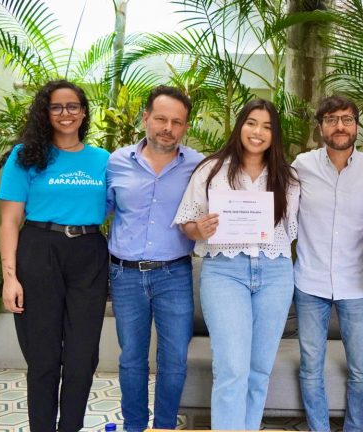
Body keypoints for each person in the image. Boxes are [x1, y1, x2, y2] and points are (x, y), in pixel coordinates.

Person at [173, 99, 299, 429]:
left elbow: (290, 233)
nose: (258, 132)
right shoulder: (211, 170)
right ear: (240, 125)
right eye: (251, 123)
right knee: (231, 369)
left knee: (259, 370)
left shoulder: (288, 177)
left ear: (275, 135)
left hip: (275, 273)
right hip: (225, 271)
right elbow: (187, 221)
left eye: (267, 126)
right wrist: (198, 228)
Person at [0, 80, 110, 432]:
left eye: (73, 106)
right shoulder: (25, 156)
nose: (65, 113)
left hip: (89, 254)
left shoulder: (103, 160)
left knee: (81, 359)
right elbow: (11, 220)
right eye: (57, 107)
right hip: (39, 250)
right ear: (45, 113)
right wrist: (10, 277)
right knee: (44, 360)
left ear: (84, 111)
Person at [106, 86, 203, 431]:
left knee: (174, 359)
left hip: (174, 275)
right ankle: (134, 427)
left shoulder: (198, 166)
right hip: (125, 276)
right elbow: (99, 210)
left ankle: (163, 428)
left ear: (185, 126)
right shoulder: (116, 162)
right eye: (161, 118)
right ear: (145, 118)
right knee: (132, 359)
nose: (168, 127)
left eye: (177, 122)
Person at [292, 96, 363, 431]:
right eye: (331, 119)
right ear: (321, 128)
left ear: (357, 125)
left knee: (360, 368)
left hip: (356, 283)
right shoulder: (301, 166)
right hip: (309, 281)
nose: (340, 126)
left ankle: (355, 428)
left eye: (346, 119)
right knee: (310, 366)